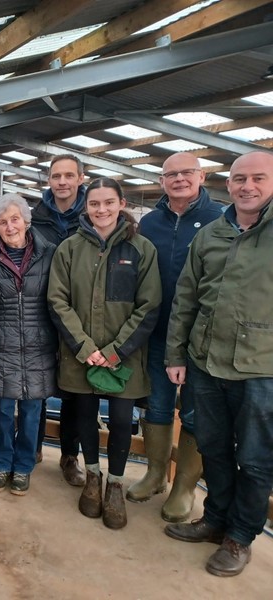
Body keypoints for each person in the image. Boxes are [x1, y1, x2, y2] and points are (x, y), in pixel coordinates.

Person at [164, 151, 273, 577]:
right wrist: (176, 353)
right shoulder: (210, 234)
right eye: (240, 178)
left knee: (256, 457)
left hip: (261, 368)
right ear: (226, 184)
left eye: (258, 178)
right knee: (213, 446)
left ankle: (240, 536)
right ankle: (215, 519)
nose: (248, 186)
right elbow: (186, 298)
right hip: (207, 362)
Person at [48, 177, 161, 529]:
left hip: (124, 357)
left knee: (122, 420)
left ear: (121, 203)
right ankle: (93, 476)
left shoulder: (142, 249)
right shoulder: (69, 249)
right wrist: (85, 347)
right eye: (95, 204)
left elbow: (148, 305)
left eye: (108, 203)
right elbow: (58, 300)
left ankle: (116, 483)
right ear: (87, 207)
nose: (102, 210)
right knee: (84, 414)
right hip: (81, 354)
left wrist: (114, 350)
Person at [127, 152, 223, 520]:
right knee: (158, 404)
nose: (179, 179)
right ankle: (154, 474)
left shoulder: (219, 220)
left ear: (202, 176)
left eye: (187, 172)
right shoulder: (150, 222)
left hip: (201, 338)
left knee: (196, 412)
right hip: (156, 331)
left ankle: (184, 485)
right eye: (171, 174)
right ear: (161, 181)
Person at [0, 194, 58, 496]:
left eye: (14, 219)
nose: (9, 226)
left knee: (32, 410)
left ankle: (23, 467)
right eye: (2, 222)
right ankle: (2, 464)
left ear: (26, 221)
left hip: (38, 345)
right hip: (0, 345)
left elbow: (59, 303)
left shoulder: (50, 254)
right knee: (3, 411)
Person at [31, 154, 87, 486]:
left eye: (69, 175)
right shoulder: (35, 217)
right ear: (48, 180)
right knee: (36, 382)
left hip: (79, 315)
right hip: (39, 311)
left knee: (75, 389)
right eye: (56, 176)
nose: (62, 181)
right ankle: (33, 445)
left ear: (81, 178)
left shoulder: (93, 214)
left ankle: (70, 455)